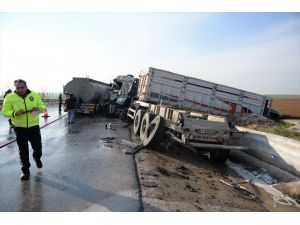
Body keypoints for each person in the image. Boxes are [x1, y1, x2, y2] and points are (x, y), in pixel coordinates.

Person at [1, 79, 46, 180]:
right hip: (19, 128)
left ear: (26, 86)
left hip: (34, 127)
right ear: (15, 88)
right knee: (23, 151)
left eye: (22, 87)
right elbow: (4, 112)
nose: (20, 89)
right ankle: (25, 171)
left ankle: (37, 158)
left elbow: (43, 106)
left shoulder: (34, 95)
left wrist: (38, 108)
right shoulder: (9, 97)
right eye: (18, 88)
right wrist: (14, 113)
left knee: (38, 147)